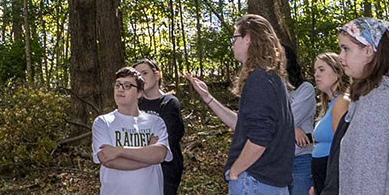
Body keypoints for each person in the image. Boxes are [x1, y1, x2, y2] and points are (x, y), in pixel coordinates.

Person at [186, 14, 294, 195]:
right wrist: (208, 98)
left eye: (235, 38)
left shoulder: (259, 79)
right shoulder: (271, 78)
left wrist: (235, 171)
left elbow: (259, 139)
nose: (232, 44)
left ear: (248, 39)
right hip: (267, 182)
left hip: (254, 182)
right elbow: (244, 126)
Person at [326, 17, 389, 194]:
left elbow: (367, 175)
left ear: (368, 51)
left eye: (346, 49)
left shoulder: (376, 101)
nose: (340, 57)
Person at [92, 67, 173, 195]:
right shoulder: (102, 122)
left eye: (127, 85)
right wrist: (148, 154)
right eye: (117, 85)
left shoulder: (155, 122)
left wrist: (119, 150)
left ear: (140, 92)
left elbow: (160, 155)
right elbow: (108, 159)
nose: (120, 89)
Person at [134, 59, 185, 195]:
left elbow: (167, 138)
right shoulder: (134, 103)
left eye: (145, 73)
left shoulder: (169, 103)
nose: (141, 78)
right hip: (137, 169)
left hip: (165, 170)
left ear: (157, 76)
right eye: (137, 75)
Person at [307, 53, 350, 195]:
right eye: (315, 71)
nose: (316, 75)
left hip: (331, 177)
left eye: (322, 69)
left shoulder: (342, 102)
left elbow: (342, 147)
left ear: (337, 73)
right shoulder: (329, 105)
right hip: (321, 177)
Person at [284, 45, 316, 195]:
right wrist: (293, 128)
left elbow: (289, 118)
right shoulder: (270, 88)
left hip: (300, 158)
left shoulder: (305, 89)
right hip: (276, 160)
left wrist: (290, 125)